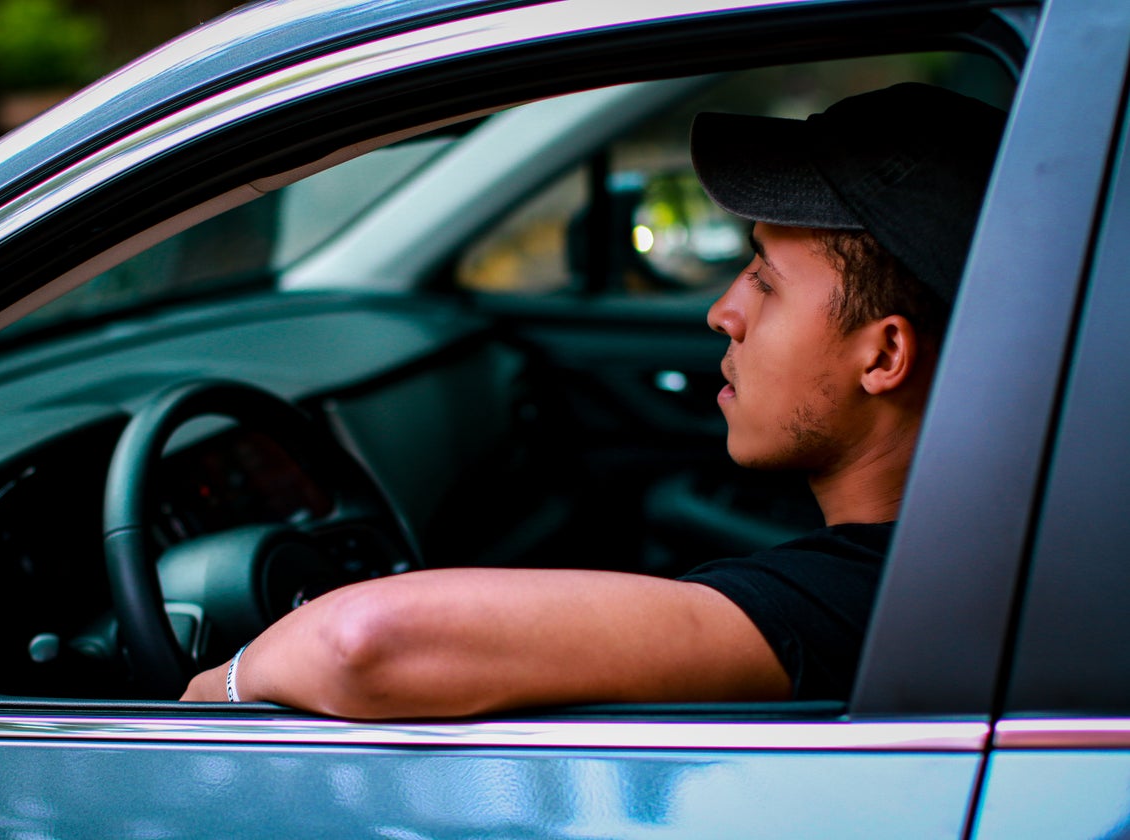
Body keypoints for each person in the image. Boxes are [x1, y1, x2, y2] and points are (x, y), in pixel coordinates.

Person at [180, 82, 1006, 717]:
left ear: (886, 353)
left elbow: (364, 643)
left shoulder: (875, 602)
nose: (724, 311)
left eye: (764, 279)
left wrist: (218, 691)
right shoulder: (986, 554)